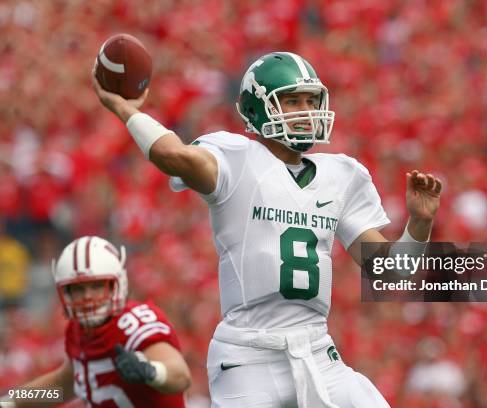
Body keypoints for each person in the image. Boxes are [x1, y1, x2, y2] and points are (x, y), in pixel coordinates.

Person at [92, 51, 442, 407]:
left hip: (316, 350)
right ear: (257, 110)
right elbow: (173, 156)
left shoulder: (342, 175)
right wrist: (126, 109)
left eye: (310, 100)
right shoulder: (235, 158)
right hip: (247, 354)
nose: (306, 111)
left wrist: (420, 223)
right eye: (291, 101)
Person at [1, 236, 191, 407]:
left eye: (97, 286)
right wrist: (8, 402)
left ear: (117, 284)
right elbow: (60, 388)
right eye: (78, 289)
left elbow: (180, 376)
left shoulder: (134, 323)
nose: (88, 296)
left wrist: (151, 371)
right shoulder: (79, 331)